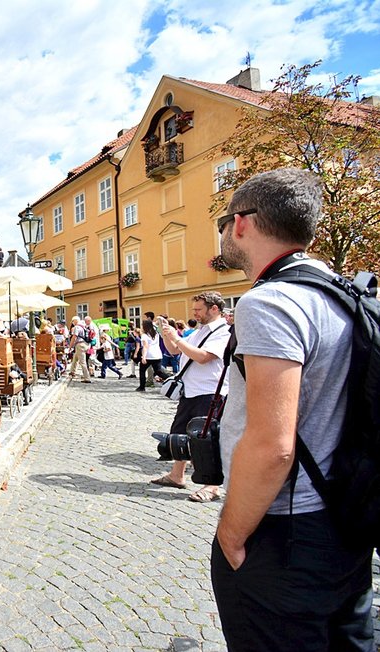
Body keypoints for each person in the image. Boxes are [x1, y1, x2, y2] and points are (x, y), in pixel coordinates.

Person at [211, 168, 374, 651]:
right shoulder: (344, 291)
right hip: (344, 514)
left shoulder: (270, 303)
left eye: (223, 222)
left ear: (241, 224)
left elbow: (272, 445)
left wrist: (232, 535)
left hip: (285, 529)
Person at [149, 291, 231, 502]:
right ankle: (177, 476)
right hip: (191, 391)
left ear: (214, 309)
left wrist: (177, 338)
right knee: (180, 433)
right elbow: (176, 351)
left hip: (210, 392)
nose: (195, 313)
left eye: (198, 310)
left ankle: (212, 486)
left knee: (205, 439)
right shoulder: (199, 331)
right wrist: (166, 334)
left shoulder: (223, 331)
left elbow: (203, 357)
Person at [136, 318, 167, 391]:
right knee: (158, 372)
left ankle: (142, 387)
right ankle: (171, 379)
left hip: (148, 355)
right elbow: (156, 324)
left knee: (142, 371)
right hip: (157, 354)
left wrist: (143, 357)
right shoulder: (156, 333)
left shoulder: (144, 335)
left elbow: (145, 346)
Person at [67, 316, 91, 383]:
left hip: (80, 345)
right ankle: (72, 372)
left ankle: (87, 378)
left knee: (82, 362)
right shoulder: (83, 326)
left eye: (72, 321)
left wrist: (70, 347)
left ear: (75, 321)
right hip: (85, 344)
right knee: (75, 358)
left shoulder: (76, 327)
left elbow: (74, 337)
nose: (72, 323)